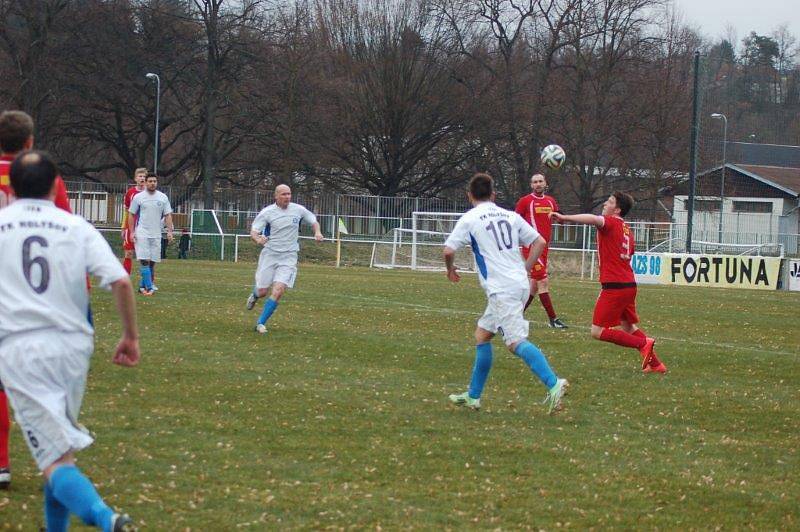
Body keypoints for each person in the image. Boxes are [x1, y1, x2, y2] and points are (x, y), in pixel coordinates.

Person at [0, 151, 139, 531]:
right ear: (54, 184)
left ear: (11, 186)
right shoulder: (75, 226)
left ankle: (104, 518)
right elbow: (122, 281)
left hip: (21, 349)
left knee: (54, 459)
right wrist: (129, 336)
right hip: (74, 347)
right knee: (58, 448)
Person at [443, 173, 568, 415]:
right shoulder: (510, 215)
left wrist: (450, 270)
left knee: (514, 342)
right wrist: (527, 268)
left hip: (502, 289)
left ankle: (554, 384)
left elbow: (448, 250)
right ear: (493, 194)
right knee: (482, 335)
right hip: (518, 283)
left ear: (470, 195)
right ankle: (473, 396)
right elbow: (539, 241)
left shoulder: (470, 218)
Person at [0, 110, 73, 490]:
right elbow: (64, 230)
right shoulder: (48, 177)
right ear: (30, 141)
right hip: (35, 293)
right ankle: (57, 460)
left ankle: (1, 462)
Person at [552, 192, 667, 373]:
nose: (605, 203)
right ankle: (656, 364)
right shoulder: (627, 230)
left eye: (610, 201)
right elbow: (628, 254)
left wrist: (565, 217)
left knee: (597, 331)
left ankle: (644, 343)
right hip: (629, 284)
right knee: (628, 326)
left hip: (615, 286)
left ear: (618, 209)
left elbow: (593, 219)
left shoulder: (611, 222)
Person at [246, 184, 323, 334]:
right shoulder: (267, 212)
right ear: (276, 196)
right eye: (283, 194)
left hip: (289, 256)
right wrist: (258, 239)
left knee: (279, 290)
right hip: (270, 255)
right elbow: (254, 231)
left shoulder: (298, 210)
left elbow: (313, 221)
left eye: (289, 194)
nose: (287, 197)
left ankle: (260, 323)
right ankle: (255, 295)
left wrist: (317, 232)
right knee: (262, 291)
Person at [514, 173, 568, 329]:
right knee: (543, 281)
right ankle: (553, 319)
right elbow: (514, 221)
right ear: (531, 185)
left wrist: (560, 219)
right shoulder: (525, 201)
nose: (538, 184)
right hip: (532, 247)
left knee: (534, 286)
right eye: (535, 182)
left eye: (540, 181)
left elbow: (559, 219)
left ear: (545, 183)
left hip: (544, 247)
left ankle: (515, 316)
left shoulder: (551, 201)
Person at [127, 173, 173, 295]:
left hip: (156, 233)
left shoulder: (163, 197)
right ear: (146, 183)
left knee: (152, 262)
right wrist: (131, 232)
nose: (152, 183)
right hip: (142, 233)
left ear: (157, 183)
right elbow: (131, 214)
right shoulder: (139, 197)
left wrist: (169, 231)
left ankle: (142, 287)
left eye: (154, 181)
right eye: (150, 181)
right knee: (144, 261)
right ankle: (149, 288)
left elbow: (168, 215)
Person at [120, 168, 147, 275]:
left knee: (145, 257)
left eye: (144, 176)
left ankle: (147, 283)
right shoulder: (130, 193)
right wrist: (123, 227)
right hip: (130, 227)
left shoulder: (150, 193)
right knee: (129, 253)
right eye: (140, 176)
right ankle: (125, 279)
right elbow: (126, 211)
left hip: (145, 228)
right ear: (135, 178)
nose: (142, 178)